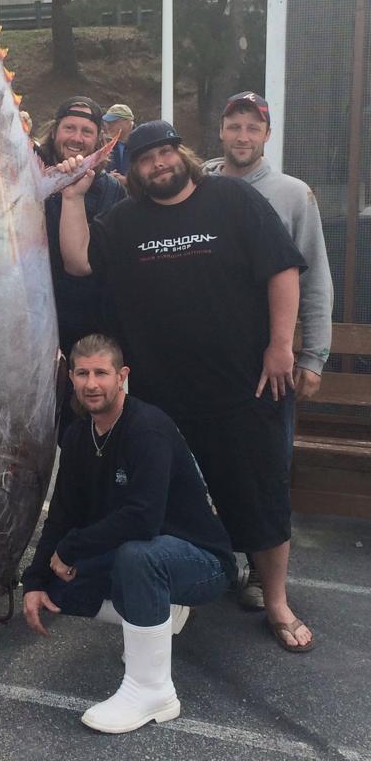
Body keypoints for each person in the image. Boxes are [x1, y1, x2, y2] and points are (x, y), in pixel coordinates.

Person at [57, 120, 315, 653]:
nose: (158, 165)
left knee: (260, 492)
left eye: (166, 153)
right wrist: (75, 196)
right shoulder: (124, 219)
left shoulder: (233, 199)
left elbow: (283, 270)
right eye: (146, 159)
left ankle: (276, 600)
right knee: (158, 501)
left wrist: (282, 346)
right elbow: (77, 261)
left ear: (183, 154)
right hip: (159, 400)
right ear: (135, 170)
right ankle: (168, 590)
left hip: (244, 386)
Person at [23, 334, 235, 734]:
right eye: (82, 373)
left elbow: (143, 519)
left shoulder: (148, 427)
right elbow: (63, 514)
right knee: (58, 590)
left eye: (101, 373)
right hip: (145, 553)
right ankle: (157, 610)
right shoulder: (76, 436)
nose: (92, 383)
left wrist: (71, 548)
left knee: (139, 557)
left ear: (122, 376)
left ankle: (153, 691)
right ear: (70, 378)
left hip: (201, 560)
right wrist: (33, 579)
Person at [205, 91, 334, 611]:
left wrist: (313, 356)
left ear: (267, 134)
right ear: (221, 130)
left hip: (270, 365)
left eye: (252, 128)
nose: (242, 137)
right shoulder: (197, 188)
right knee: (208, 468)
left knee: (266, 472)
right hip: (208, 362)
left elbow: (317, 279)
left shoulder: (293, 194)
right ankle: (219, 560)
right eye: (234, 126)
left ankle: (264, 574)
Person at [37, 97, 126, 359]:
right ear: (54, 131)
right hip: (30, 319)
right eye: (69, 128)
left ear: (98, 139)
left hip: (90, 332)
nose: (77, 138)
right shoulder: (25, 181)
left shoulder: (112, 191)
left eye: (87, 131)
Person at [102, 103, 135, 183]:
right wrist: (107, 177)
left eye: (113, 122)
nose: (108, 126)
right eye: (107, 122)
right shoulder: (106, 145)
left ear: (127, 122)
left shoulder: (143, 143)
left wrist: (128, 181)